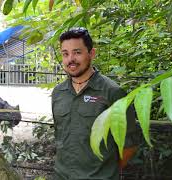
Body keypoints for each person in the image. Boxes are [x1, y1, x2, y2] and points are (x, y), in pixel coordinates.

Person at [52, 27, 138, 179]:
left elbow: (129, 145)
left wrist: (106, 172)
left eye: (77, 52)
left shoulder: (112, 92)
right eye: (65, 54)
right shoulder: (58, 93)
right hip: (61, 175)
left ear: (91, 53)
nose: (70, 59)